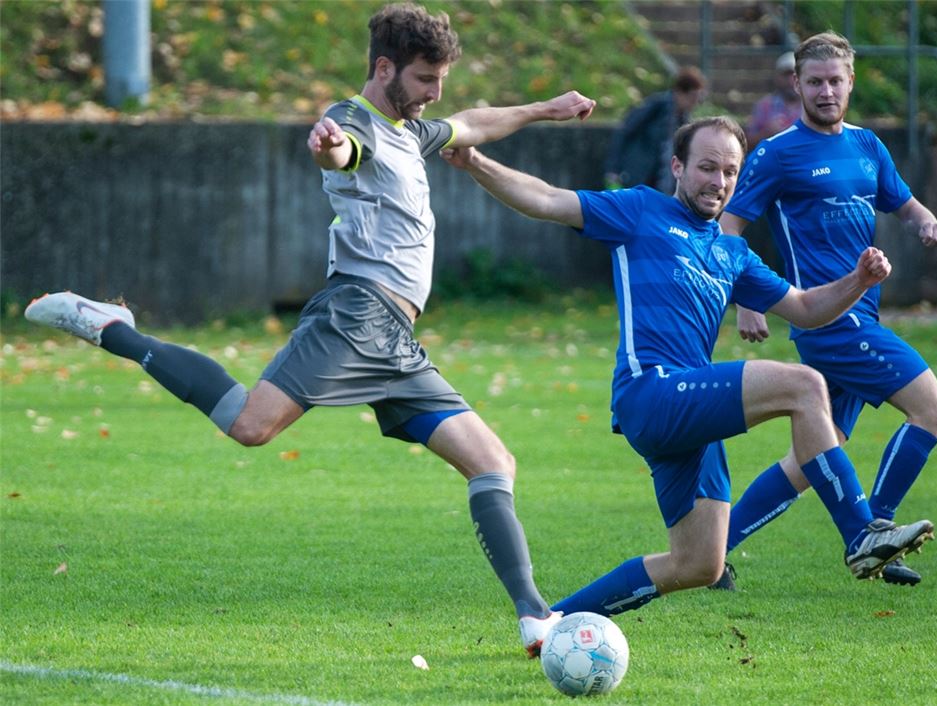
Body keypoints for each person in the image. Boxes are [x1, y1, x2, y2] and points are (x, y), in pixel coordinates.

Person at [24, 2, 597, 657]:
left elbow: (472, 123)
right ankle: (116, 330)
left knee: (493, 462)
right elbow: (342, 151)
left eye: (441, 79)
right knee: (249, 425)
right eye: (424, 78)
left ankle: (535, 618)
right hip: (356, 316)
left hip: (396, 341)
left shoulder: (411, 130)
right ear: (385, 68)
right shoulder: (356, 122)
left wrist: (544, 109)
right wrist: (330, 150)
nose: (436, 93)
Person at [441, 115, 934, 621]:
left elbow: (806, 309)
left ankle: (551, 624)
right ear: (678, 167)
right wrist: (476, 162)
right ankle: (860, 533)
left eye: (730, 172)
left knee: (698, 563)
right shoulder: (640, 210)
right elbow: (546, 199)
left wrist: (858, 281)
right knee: (804, 384)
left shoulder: (733, 252)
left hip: (690, 416)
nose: (718, 182)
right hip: (651, 392)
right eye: (706, 167)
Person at [718, 30, 937, 589]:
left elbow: (903, 202)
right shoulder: (777, 153)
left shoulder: (868, 146)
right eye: (815, 82)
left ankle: (712, 553)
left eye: (835, 81)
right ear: (797, 84)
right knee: (932, 410)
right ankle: (875, 531)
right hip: (827, 322)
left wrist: (926, 222)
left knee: (813, 456)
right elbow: (728, 227)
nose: (826, 92)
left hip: (862, 317)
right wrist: (747, 299)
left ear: (851, 83)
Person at [603, 66, 706, 194]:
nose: (695, 103)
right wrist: (612, 169)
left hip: (661, 183)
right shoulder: (657, 106)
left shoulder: (684, 120)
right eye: (692, 98)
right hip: (638, 175)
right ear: (680, 92)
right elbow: (624, 132)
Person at [745, 51, 801, 147]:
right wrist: (767, 132)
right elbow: (747, 142)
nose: (790, 80)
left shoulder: (811, 105)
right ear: (777, 77)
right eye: (786, 75)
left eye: (794, 75)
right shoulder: (764, 105)